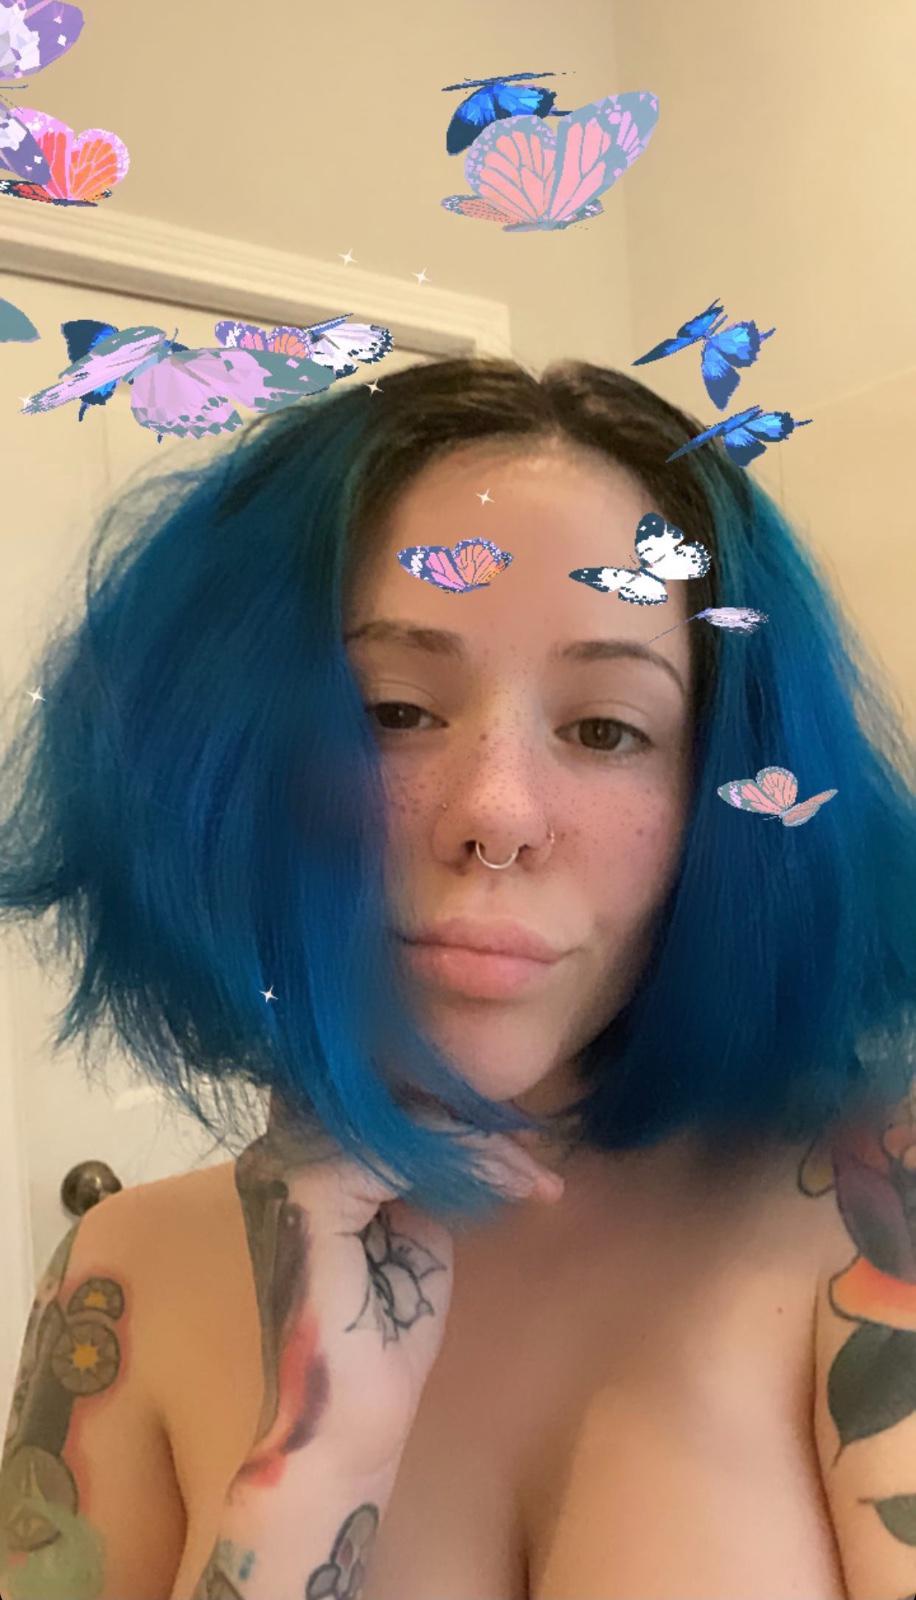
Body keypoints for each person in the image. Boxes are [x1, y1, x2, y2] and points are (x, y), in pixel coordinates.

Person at [0, 356, 914, 1600]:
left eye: (605, 728)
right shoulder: (124, 1279)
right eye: (393, 711)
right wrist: (311, 1467)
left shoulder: (875, 1213)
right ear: (227, 766)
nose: (497, 814)